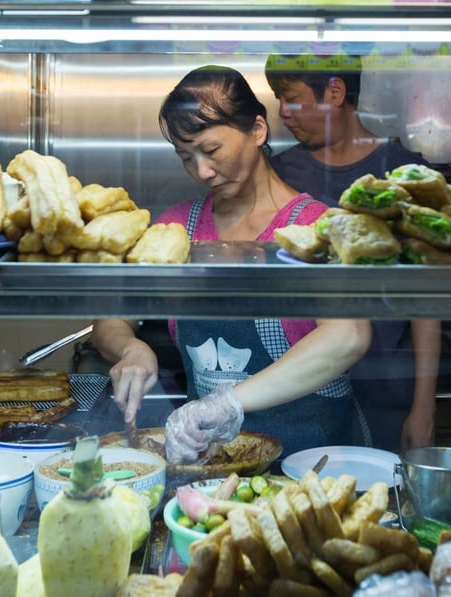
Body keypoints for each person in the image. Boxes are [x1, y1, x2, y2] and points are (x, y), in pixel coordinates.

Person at [90, 65, 371, 463]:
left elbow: (349, 337)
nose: (201, 171)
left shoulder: (315, 226)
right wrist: (130, 349)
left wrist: (229, 404)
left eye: (211, 150)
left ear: (257, 130)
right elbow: (111, 318)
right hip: (211, 462)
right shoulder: (176, 229)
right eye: (186, 157)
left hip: (311, 461)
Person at [265, 53, 440, 451]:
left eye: (290, 97)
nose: (282, 112)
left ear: (335, 91)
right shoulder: (279, 175)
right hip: (303, 383)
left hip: (385, 387)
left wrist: (424, 408)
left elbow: (426, 298)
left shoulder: (403, 172)